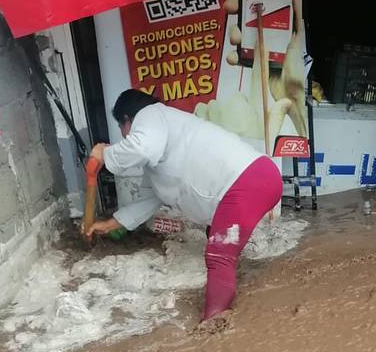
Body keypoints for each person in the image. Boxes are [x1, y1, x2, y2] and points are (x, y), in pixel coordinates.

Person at [87, 89, 284, 320]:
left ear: (127, 120)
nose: (123, 135)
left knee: (219, 255)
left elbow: (140, 148)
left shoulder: (150, 115)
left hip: (249, 182)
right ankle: (234, 284)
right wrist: (110, 224)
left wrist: (105, 153)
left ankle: (214, 323)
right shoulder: (161, 145)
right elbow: (148, 199)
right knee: (217, 235)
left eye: (121, 128)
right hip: (256, 180)